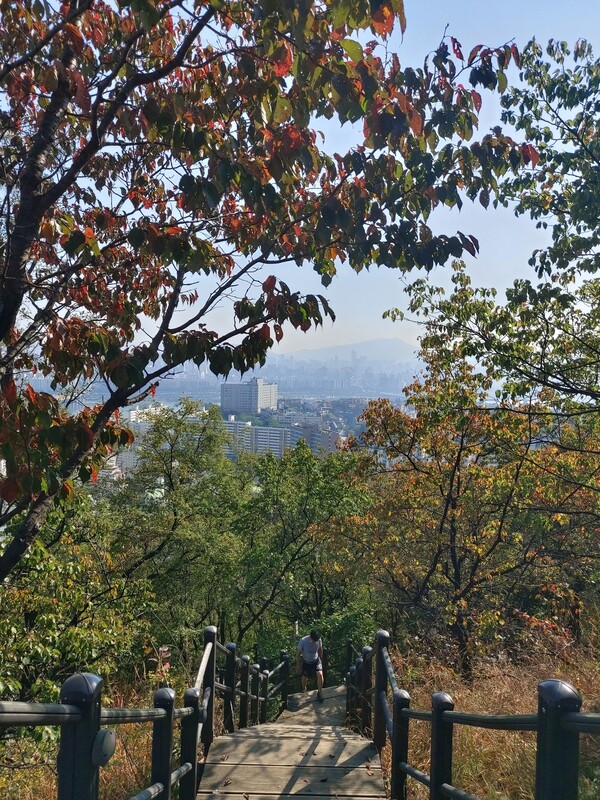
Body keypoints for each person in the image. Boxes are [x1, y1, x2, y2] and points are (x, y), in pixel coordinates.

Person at [297, 629, 324, 702]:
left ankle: (320, 692)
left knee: (320, 675)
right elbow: (298, 653)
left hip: (316, 660)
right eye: (315, 639)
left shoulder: (319, 639)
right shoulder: (303, 640)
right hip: (306, 661)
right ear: (311, 637)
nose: (316, 641)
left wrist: (321, 659)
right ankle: (304, 688)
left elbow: (320, 649)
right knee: (304, 676)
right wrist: (298, 665)